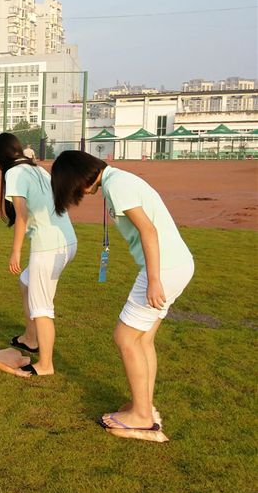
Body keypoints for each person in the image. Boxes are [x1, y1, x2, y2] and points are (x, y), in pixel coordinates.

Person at [51, 151, 194, 434]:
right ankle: (143, 406)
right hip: (177, 265)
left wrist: (153, 279)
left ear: (78, 178)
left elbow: (148, 231)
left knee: (125, 337)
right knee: (143, 340)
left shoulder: (117, 185)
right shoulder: (118, 180)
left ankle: (141, 416)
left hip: (164, 270)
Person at [0, 133, 77, 377]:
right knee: (26, 282)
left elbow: (22, 216)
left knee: (42, 308)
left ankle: (45, 364)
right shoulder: (38, 169)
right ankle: (30, 338)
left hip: (49, 248)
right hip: (67, 242)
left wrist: (15, 252)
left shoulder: (14, 173)